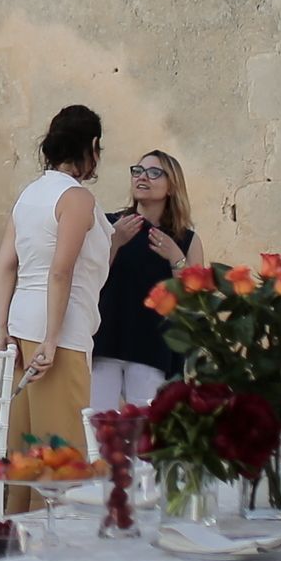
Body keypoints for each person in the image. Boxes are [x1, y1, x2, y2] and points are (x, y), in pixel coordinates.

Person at [0, 104, 109, 457]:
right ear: (93, 146)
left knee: (25, 449)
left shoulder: (30, 194)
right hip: (59, 330)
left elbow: (5, 265)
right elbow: (61, 270)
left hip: (21, 324)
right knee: (60, 449)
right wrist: (53, 338)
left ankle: (17, 513)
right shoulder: (76, 197)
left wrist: (1, 325)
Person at [90, 149, 203, 415]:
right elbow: (89, 279)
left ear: (171, 185)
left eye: (154, 173)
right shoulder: (109, 225)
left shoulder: (185, 239)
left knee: (148, 430)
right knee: (97, 426)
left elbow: (194, 300)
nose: (143, 178)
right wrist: (114, 242)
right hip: (106, 339)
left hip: (153, 344)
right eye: (138, 171)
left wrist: (176, 258)